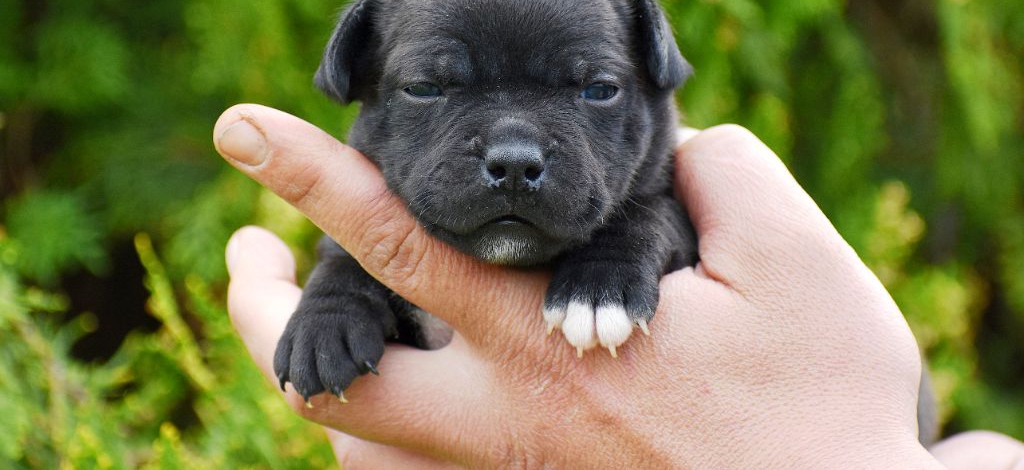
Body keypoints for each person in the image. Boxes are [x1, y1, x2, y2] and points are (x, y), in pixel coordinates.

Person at [214, 104, 1024, 469]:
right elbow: (361, 256)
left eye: (592, 90)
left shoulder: (683, 200)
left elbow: (670, 223)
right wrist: (340, 294)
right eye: (434, 88)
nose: (515, 150)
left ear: (654, 87)